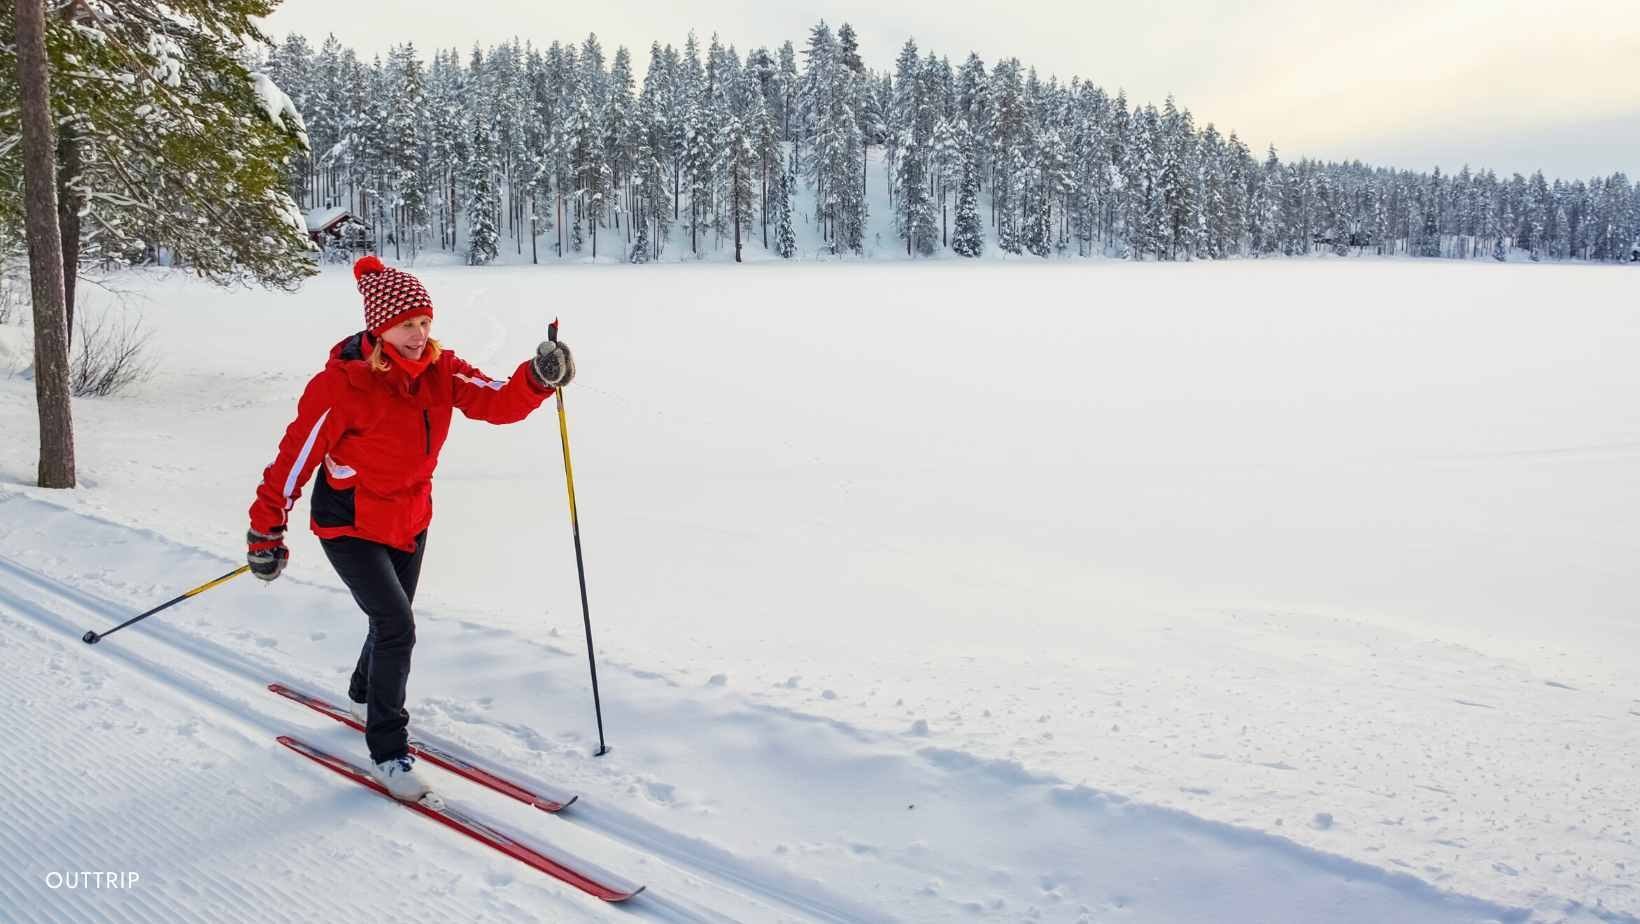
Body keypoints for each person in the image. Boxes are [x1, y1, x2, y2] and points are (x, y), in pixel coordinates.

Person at [245, 255, 574, 800]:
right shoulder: (342, 385)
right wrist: (265, 531)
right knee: (397, 626)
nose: (419, 335)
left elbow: (496, 400)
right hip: (349, 523)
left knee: (389, 621)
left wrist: (537, 379)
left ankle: (362, 694)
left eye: (424, 322)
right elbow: (294, 460)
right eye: (407, 325)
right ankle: (388, 752)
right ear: (379, 328)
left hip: (410, 519)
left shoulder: (442, 370)